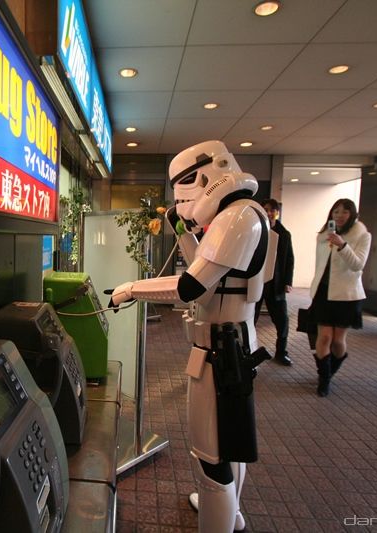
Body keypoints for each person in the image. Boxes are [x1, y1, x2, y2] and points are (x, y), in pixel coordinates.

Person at [109, 140, 276, 533]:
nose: (182, 199)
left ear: (206, 177)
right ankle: (229, 512)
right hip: (227, 345)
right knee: (229, 442)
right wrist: (181, 229)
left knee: (210, 454)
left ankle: (220, 518)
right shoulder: (243, 214)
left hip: (220, 351)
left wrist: (131, 289)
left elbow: (191, 287)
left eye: (184, 187)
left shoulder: (237, 217)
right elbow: (207, 274)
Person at [309, 198, 371, 397]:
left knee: (337, 342)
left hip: (347, 295)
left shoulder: (362, 235)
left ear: (352, 214)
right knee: (324, 337)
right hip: (323, 293)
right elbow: (320, 265)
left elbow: (358, 265)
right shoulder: (323, 236)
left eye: (345, 212)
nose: (340, 215)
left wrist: (342, 245)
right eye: (336, 211)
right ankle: (324, 380)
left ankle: (329, 370)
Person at [254, 199, 295, 365]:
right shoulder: (255, 231)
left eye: (272, 210)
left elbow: (290, 259)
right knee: (250, 318)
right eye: (266, 209)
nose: (269, 213)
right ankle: (247, 349)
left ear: (277, 213)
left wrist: (288, 281)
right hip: (256, 281)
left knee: (282, 320)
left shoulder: (284, 234)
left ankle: (281, 352)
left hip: (276, 283)